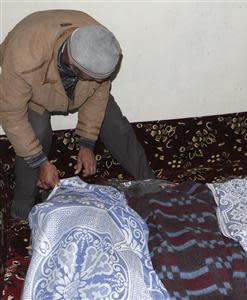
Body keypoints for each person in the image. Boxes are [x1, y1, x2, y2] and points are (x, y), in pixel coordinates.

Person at [0, 10, 155, 219]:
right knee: (37, 130)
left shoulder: (102, 46)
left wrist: (87, 143)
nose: (100, 83)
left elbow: (98, 96)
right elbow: (11, 115)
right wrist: (40, 163)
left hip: (71, 71)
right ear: (72, 64)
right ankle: (23, 209)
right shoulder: (23, 58)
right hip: (34, 87)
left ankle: (151, 185)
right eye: (94, 78)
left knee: (116, 125)